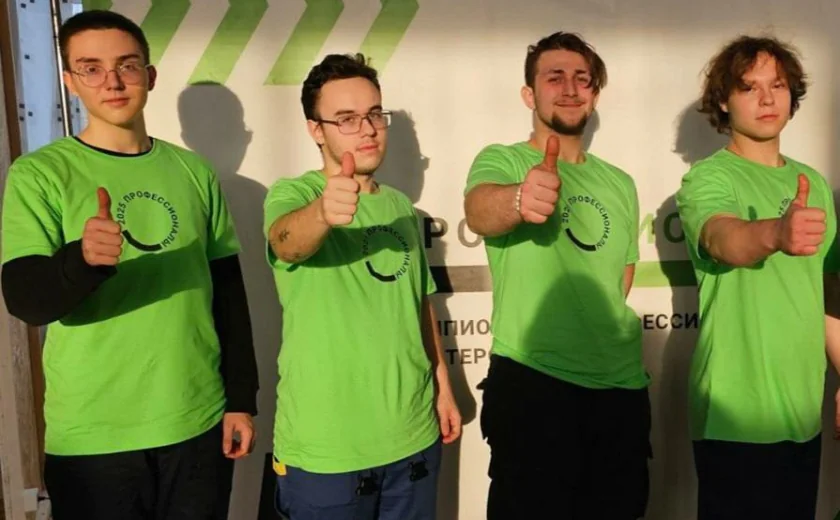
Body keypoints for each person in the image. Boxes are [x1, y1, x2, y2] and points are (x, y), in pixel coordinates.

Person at [0, 10, 258, 519]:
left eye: (127, 65)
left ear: (150, 75)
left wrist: (241, 399)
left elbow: (228, 293)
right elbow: (25, 300)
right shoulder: (39, 174)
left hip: (197, 422)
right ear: (70, 82)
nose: (112, 82)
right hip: (95, 437)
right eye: (91, 68)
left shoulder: (194, 171)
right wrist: (81, 260)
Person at [262, 53, 461, 520]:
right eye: (347, 119)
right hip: (327, 452)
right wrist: (322, 213)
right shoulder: (294, 195)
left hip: (413, 440)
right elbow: (286, 242)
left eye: (374, 114)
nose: (368, 129)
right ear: (316, 130)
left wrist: (443, 385)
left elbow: (418, 303)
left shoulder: (401, 207)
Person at [464, 31, 649, 520]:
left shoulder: (620, 183)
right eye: (554, 77)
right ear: (529, 94)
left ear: (595, 95)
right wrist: (519, 199)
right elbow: (479, 211)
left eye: (581, 79)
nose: (569, 88)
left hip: (620, 390)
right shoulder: (503, 160)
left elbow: (621, 276)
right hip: (533, 384)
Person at [676, 35, 840, 520]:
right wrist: (776, 232)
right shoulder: (709, 178)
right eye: (749, 87)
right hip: (734, 417)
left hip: (803, 413)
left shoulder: (814, 185)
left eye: (778, 85)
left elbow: (827, 296)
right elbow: (722, 238)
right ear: (724, 101)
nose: (767, 98)